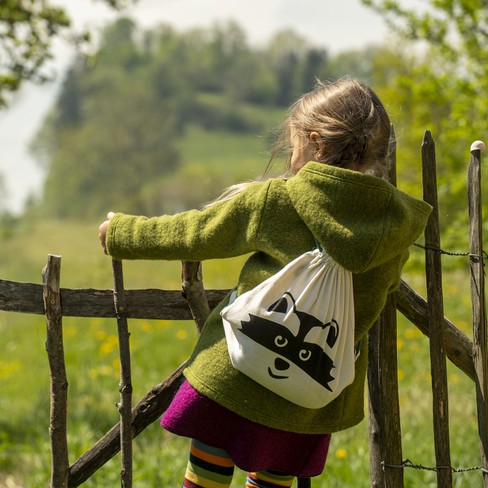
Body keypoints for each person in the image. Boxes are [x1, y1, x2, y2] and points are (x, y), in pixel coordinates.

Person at [99, 78, 431, 488]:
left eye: (294, 144)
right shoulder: (395, 229)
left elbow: (197, 231)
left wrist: (121, 232)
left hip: (239, 374)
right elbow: (382, 292)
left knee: (204, 481)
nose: (291, 156)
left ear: (316, 143)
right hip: (310, 395)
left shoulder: (277, 201)